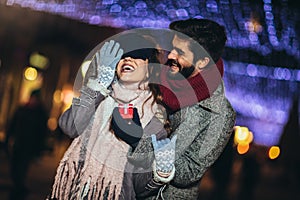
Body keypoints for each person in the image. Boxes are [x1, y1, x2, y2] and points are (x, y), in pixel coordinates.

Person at [48, 33, 177, 200]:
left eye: (138, 55)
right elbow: (69, 126)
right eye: (123, 55)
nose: (128, 59)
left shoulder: (154, 121)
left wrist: (160, 171)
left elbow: (140, 187)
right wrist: (98, 84)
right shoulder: (99, 96)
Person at [131, 18, 236, 199]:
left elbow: (188, 173)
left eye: (180, 52)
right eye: (172, 48)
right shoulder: (153, 78)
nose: (171, 56)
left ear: (202, 62)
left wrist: (140, 140)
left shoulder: (220, 114)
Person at [5, 89, 49, 198]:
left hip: (29, 146)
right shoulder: (22, 109)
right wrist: (7, 139)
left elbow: (42, 132)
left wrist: (39, 149)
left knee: (22, 166)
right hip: (18, 143)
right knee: (14, 166)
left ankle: (19, 187)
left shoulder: (40, 113)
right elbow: (13, 124)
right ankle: (18, 185)